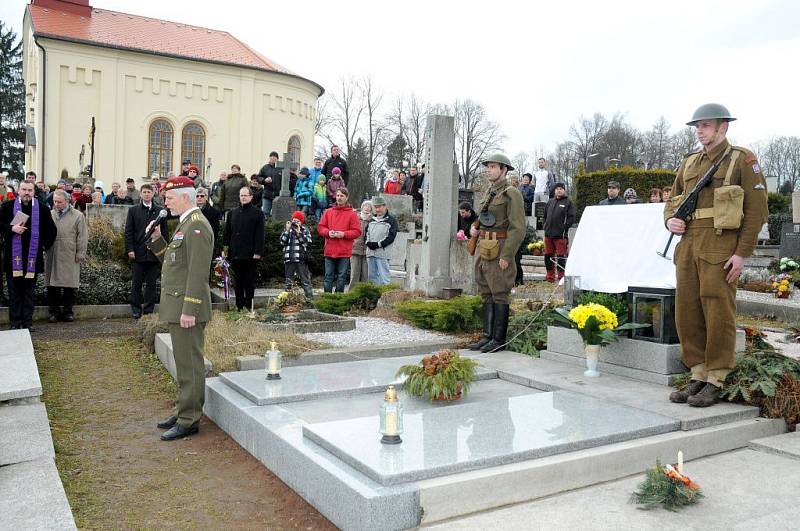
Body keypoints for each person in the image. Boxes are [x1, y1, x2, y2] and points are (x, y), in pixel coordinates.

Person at [666, 103, 768, 408]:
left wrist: (741, 253)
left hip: (720, 248)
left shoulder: (741, 159)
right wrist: (670, 220)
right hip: (688, 247)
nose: (700, 131)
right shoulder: (688, 163)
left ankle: (716, 378)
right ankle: (698, 373)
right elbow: (672, 202)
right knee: (687, 312)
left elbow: (756, 211)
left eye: (706, 126)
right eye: (697, 127)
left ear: (723, 127)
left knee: (717, 312)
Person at [146, 177, 213, 441]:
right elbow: (174, 264)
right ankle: (185, 409)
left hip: (187, 308)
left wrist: (189, 310)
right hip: (179, 305)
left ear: (184, 196)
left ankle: (189, 419)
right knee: (184, 364)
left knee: (190, 365)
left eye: (169, 198)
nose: (166, 202)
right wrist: (157, 241)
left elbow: (197, 273)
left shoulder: (197, 226)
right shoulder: (184, 224)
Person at [466, 154, 525, 353]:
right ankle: (487, 336)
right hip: (484, 245)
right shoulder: (490, 191)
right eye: (488, 167)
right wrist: (475, 229)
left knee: (499, 292)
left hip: (499, 247)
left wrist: (507, 255)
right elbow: (484, 216)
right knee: (486, 291)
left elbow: (518, 228)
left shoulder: (511, 193)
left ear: (504, 170)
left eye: (492, 166)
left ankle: (499, 340)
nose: (488, 170)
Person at [1, 181, 57, 330]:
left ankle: (27, 322)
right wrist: (12, 228)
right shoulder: (7, 207)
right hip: (13, 259)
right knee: (14, 293)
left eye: (30, 190)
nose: (26, 193)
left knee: (29, 293)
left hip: (33, 258)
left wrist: (43, 246)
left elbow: (52, 231)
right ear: (18, 190)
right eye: (24, 189)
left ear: (34, 192)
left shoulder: (43, 209)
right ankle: (15, 322)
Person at [124, 184, 168, 319]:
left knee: (151, 284)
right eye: (144, 192)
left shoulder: (160, 211)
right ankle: (136, 309)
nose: (147, 194)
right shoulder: (133, 210)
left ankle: (148, 310)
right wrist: (130, 249)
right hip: (138, 252)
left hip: (154, 254)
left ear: (153, 193)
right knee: (136, 283)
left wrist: (162, 251)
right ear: (141, 194)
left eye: (149, 192)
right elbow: (128, 232)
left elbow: (165, 233)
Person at [45, 190, 88, 322]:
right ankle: (54, 312)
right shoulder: (50, 214)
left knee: (69, 285)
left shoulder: (78, 216)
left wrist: (80, 253)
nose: (56, 204)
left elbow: (83, 236)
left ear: (67, 201)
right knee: (52, 285)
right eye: (54, 202)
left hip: (70, 252)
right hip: (53, 252)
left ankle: (68, 311)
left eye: (59, 202)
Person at [223, 186, 264, 311]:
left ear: (251, 197)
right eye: (241, 195)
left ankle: (248, 306)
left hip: (250, 254)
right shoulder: (232, 213)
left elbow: (260, 234)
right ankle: (239, 306)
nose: (243, 197)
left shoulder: (257, 213)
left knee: (249, 282)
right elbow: (227, 233)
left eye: (246, 195)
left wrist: (258, 252)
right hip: (235, 253)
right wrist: (225, 250)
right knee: (237, 282)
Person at [317, 188, 361, 293]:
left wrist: (344, 234)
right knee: (328, 276)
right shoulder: (328, 212)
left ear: (346, 197)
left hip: (344, 251)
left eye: (341, 196)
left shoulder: (352, 214)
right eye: (337, 196)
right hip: (330, 249)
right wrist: (328, 232)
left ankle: (338, 299)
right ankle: (326, 299)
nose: (339, 198)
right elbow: (320, 227)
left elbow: (357, 231)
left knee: (341, 277)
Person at [542, 183, 576, 282]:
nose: (559, 190)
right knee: (548, 256)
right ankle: (550, 277)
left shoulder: (568, 203)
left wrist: (563, 228)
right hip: (548, 235)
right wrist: (545, 227)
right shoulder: (550, 202)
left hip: (560, 236)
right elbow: (545, 216)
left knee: (561, 257)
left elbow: (571, 218)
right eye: (557, 189)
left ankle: (561, 277)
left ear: (564, 190)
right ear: (555, 191)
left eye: (561, 189)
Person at [365, 196, 398, 285]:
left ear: (385, 207)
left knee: (384, 277)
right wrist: (368, 243)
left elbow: (391, 236)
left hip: (382, 253)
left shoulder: (391, 220)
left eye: (379, 207)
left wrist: (379, 244)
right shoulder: (371, 220)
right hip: (371, 253)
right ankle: (373, 296)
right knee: (372, 278)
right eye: (376, 207)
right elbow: (366, 233)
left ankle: (385, 296)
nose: (377, 209)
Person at [280, 211, 314, 300]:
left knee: (305, 282)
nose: (295, 223)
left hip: (301, 260)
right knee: (288, 282)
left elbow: (307, 243)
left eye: (298, 221)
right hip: (289, 259)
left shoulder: (305, 230)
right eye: (294, 220)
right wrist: (287, 230)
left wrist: (299, 233)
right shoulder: (288, 230)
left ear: (301, 222)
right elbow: (282, 242)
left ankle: (310, 301)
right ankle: (285, 302)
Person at [349, 200, 373, 290]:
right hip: (355, 249)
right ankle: (351, 294)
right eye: (365, 206)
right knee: (354, 274)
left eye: (369, 206)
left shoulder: (372, 220)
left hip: (367, 251)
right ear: (362, 207)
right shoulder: (355, 217)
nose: (367, 208)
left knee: (366, 275)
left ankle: (364, 294)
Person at [257, 151, 281, 218]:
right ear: (269, 158)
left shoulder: (281, 168)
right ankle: (265, 228)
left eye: (275, 157)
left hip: (278, 196)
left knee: (277, 214)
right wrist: (264, 180)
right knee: (265, 213)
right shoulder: (265, 167)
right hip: (267, 194)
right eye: (272, 157)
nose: (273, 158)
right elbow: (258, 177)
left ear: (277, 159)